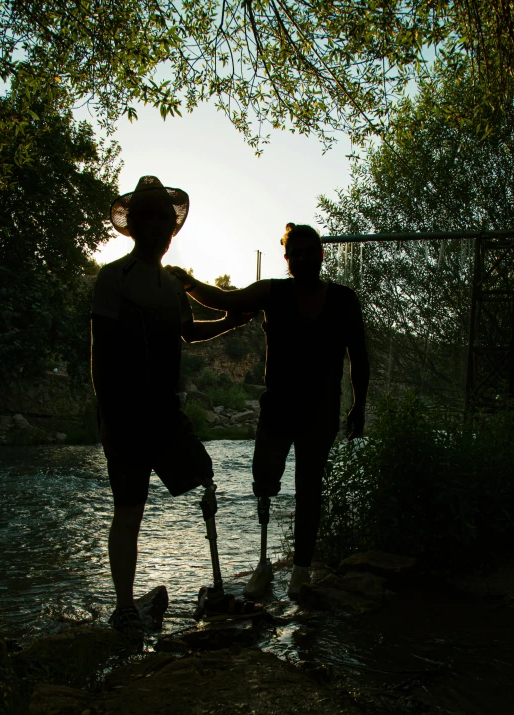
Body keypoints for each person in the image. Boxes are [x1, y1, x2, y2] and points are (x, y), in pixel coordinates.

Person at [91, 175, 258, 633]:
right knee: (129, 510)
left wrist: (229, 320)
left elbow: (189, 331)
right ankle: (125, 608)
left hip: (165, 412)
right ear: (136, 225)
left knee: (205, 480)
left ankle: (217, 588)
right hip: (125, 414)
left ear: (171, 227)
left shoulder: (171, 285)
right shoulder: (113, 278)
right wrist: (106, 414)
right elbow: (100, 352)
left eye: (165, 218)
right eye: (150, 216)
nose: (159, 226)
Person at [167, 223, 370, 600]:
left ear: (322, 254)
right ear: (287, 259)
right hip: (278, 407)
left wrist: (359, 404)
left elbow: (358, 356)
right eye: (297, 253)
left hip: (321, 410)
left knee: (311, 489)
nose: (305, 258)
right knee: (264, 481)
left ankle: (300, 572)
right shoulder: (272, 292)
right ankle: (262, 564)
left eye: (312, 251)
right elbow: (225, 299)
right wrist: (189, 283)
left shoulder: (344, 299)